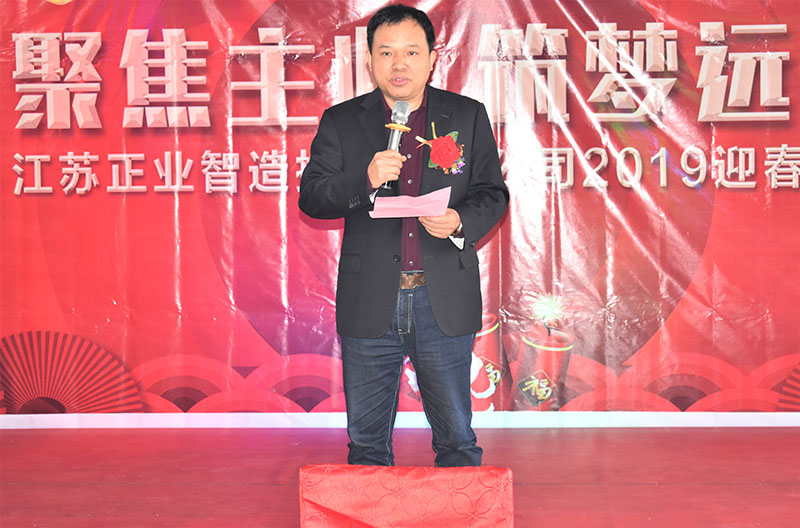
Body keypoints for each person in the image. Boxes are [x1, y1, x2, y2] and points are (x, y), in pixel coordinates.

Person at [299, 4, 508, 467]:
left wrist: (458, 222)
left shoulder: (466, 116)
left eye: (411, 52)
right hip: (370, 298)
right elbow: (312, 197)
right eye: (386, 52)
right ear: (369, 59)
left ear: (432, 58)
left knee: (456, 440)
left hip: (442, 298)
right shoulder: (341, 121)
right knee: (367, 445)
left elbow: (492, 193)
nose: (399, 64)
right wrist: (365, 178)